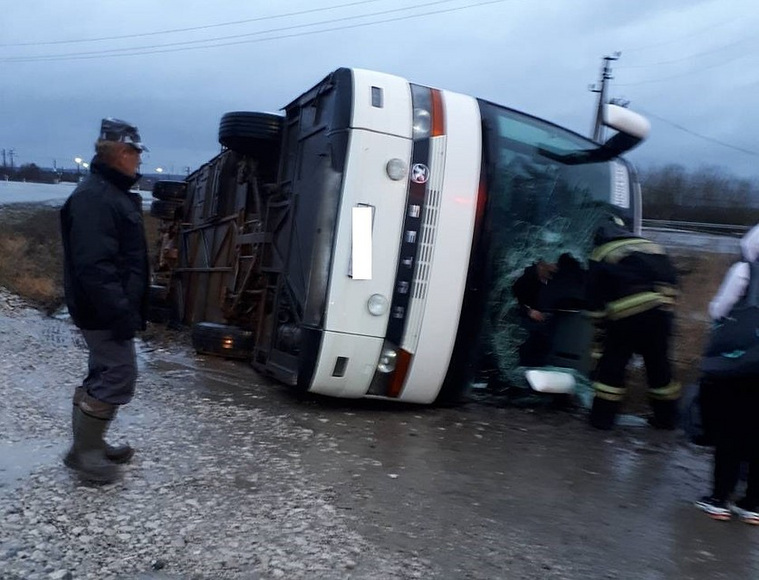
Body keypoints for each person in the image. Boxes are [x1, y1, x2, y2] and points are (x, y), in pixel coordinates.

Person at [60, 118, 150, 483]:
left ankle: (86, 447)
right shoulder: (96, 198)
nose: (139, 162)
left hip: (103, 305)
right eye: (136, 154)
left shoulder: (106, 192)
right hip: (103, 308)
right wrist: (120, 312)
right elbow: (94, 266)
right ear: (121, 153)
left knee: (102, 371)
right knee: (118, 374)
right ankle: (86, 452)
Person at [586, 215, 680, 430]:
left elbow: (594, 295)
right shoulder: (651, 246)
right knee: (659, 367)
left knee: (613, 366)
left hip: (627, 314)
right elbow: (672, 279)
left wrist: (600, 324)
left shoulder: (602, 252)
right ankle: (667, 420)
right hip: (661, 312)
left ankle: (602, 420)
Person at [695, 224, 759, 524]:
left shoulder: (745, 270)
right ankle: (753, 505)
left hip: (740, 364)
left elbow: (720, 309)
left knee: (731, 431)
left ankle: (719, 499)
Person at [512, 259, 558, 366]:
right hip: (514, 320)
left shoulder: (541, 281)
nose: (550, 277)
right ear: (542, 265)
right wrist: (528, 311)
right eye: (550, 273)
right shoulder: (523, 276)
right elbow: (505, 300)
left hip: (528, 320)